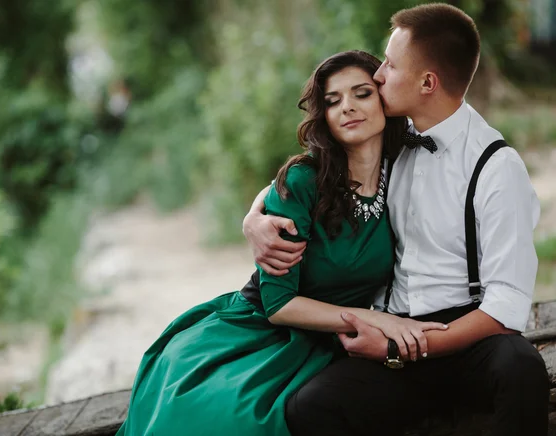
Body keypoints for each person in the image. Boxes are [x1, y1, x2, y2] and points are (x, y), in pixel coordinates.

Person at [243, 4, 550, 436]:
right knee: (312, 406)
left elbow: (506, 307)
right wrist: (255, 217)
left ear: (428, 82)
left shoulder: (496, 167)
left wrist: (406, 345)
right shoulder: (391, 144)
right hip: (394, 333)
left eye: (390, 63)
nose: (379, 74)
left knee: (521, 368)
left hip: (467, 336)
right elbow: (320, 174)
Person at [116, 50, 447, 436]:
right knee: (228, 418)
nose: (348, 108)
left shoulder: (405, 166)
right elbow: (278, 303)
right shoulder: (303, 181)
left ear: (384, 99)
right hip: (261, 331)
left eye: (362, 94)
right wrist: (376, 318)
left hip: (332, 339)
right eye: (333, 101)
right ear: (322, 116)